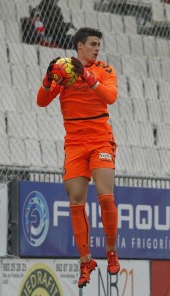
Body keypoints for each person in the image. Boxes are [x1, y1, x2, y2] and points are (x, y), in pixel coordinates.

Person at [37, 27, 120, 288]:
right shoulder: (65, 74)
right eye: (93, 44)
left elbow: (111, 97)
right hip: (74, 143)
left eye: (99, 44)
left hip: (100, 140)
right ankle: (86, 262)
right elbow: (41, 101)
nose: (97, 48)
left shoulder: (104, 70)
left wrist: (85, 74)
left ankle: (110, 251)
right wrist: (49, 78)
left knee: (105, 196)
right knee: (75, 201)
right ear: (80, 46)